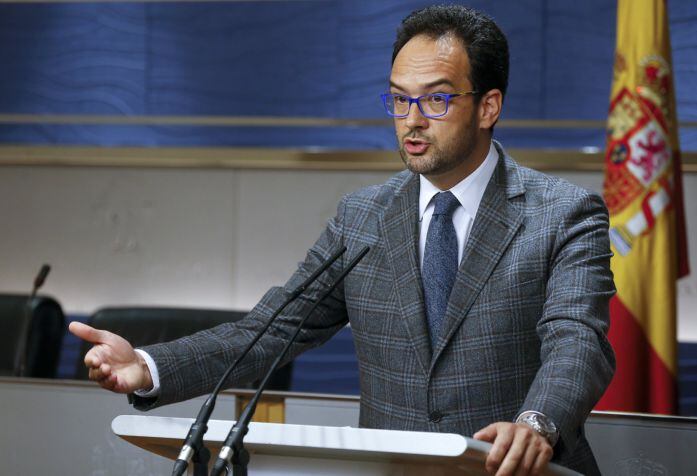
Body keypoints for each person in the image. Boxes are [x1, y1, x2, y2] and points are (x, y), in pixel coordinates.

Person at [70, 5, 615, 475]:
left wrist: (536, 423)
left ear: (489, 107)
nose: (412, 121)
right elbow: (272, 329)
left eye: (437, 101)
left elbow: (577, 340)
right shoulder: (364, 217)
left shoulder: (562, 214)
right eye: (400, 100)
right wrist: (149, 365)